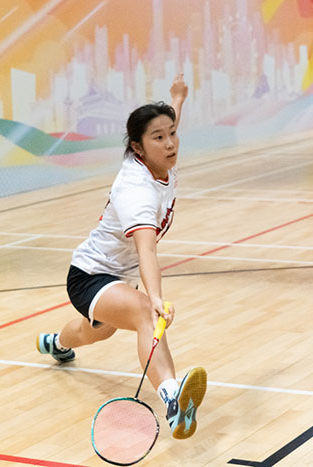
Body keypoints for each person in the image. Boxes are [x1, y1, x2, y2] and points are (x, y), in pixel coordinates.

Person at [36, 75, 207, 440]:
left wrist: (177, 99)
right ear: (138, 147)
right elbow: (147, 248)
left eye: (172, 133)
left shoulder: (161, 158)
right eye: (158, 138)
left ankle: (57, 344)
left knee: (91, 332)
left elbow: (168, 124)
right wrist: (156, 299)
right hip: (90, 276)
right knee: (146, 313)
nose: (170, 142)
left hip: (116, 278)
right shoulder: (136, 190)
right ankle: (173, 400)